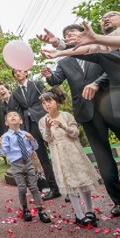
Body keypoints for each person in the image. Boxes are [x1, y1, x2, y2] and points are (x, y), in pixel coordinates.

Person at [40, 11, 120, 216]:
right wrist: (49, 76)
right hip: (87, 113)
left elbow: (113, 66)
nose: (70, 37)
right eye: (66, 36)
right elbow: (56, 80)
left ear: (83, 33)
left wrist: (96, 82)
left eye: (74, 33)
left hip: (113, 105)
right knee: (104, 160)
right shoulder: (65, 60)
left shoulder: (101, 47)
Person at [39, 88, 101, 228]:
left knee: (82, 180)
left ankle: (90, 211)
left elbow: (75, 133)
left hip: (74, 151)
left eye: (49, 101)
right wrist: (48, 128)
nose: (46, 105)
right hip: (59, 155)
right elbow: (47, 138)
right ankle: (79, 215)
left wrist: (62, 126)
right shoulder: (43, 121)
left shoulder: (66, 116)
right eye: (43, 103)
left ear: (56, 102)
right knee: (70, 183)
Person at [9, 69, 61, 201]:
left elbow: (47, 99)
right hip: (30, 126)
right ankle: (54, 188)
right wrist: (23, 130)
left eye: (19, 71)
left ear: (26, 73)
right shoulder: (15, 93)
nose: (17, 74)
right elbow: (18, 111)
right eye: (15, 73)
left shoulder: (36, 84)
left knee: (58, 151)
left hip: (45, 121)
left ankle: (67, 186)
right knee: (42, 157)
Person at [0, 110, 52, 224]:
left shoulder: (26, 134)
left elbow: (35, 147)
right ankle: (25, 209)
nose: (12, 116)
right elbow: (5, 152)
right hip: (16, 165)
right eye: (10, 116)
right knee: (22, 188)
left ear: (20, 121)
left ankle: (40, 210)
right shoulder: (6, 137)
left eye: (15, 115)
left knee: (34, 187)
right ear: (6, 123)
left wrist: (32, 139)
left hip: (28, 162)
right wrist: (1, 145)